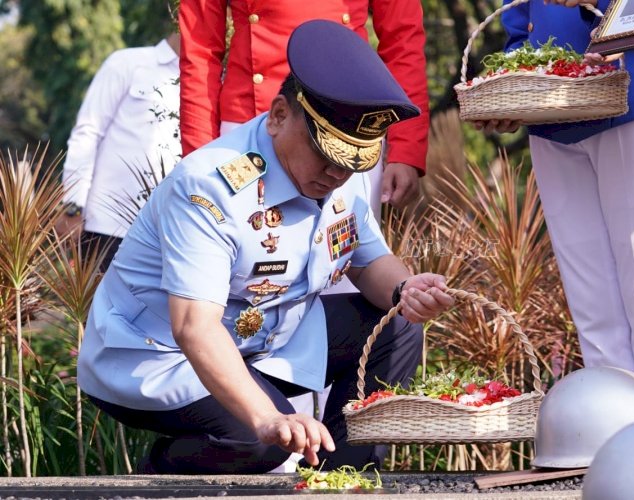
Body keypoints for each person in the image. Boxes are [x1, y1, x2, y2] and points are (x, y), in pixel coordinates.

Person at [76, 20, 454, 474]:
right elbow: (194, 327)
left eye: (353, 162)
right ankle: (157, 475)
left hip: (260, 341)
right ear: (277, 116)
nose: (338, 175)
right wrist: (268, 417)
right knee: (264, 442)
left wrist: (407, 290)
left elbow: (368, 259)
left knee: (396, 328)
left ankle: (343, 479)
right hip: (156, 357)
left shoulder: (337, 181)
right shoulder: (209, 187)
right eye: (328, 155)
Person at [482, 0, 634, 389]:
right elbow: (519, 33)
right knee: (594, 313)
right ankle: (617, 439)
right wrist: (508, 89)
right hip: (553, 126)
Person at [178, 0, 429, 211]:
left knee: (349, 262)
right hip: (250, 128)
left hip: (349, 132)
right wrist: (199, 157)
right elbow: (200, 52)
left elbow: (403, 43)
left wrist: (407, 150)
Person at [57, 33, 181, 271]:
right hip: (104, 227)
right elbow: (88, 132)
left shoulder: (215, 79)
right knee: (93, 307)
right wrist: (72, 206)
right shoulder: (127, 63)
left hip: (167, 233)